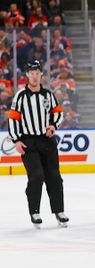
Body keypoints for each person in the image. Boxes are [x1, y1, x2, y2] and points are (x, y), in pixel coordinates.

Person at [7, 59, 69, 228]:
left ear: (41, 74)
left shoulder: (48, 94)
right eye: (31, 73)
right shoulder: (20, 96)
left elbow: (58, 113)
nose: (34, 76)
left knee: (54, 176)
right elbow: (13, 118)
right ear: (27, 75)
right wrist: (16, 140)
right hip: (28, 142)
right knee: (36, 176)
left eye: (37, 73)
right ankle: (34, 211)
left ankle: (59, 211)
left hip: (46, 140)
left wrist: (53, 125)